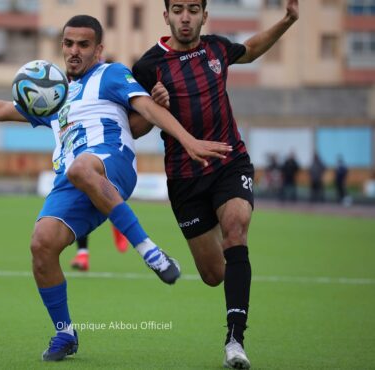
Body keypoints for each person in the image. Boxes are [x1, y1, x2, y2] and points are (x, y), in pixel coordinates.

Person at [0, 15, 232, 362]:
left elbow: (145, 110)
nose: (74, 51)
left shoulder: (110, 74)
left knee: (82, 167)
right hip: (72, 180)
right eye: (68, 43)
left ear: (98, 49)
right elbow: (0, 109)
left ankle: (149, 250)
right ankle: (65, 332)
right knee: (41, 244)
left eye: (83, 44)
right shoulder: (54, 94)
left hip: (112, 163)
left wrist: (187, 140)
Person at [131, 0, 299, 368]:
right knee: (213, 275)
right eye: (178, 9)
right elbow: (134, 126)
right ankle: (235, 281)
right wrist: (156, 106)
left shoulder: (218, 49)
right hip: (184, 179)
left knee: (236, 230)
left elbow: (252, 49)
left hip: (228, 160)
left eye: (193, 9)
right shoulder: (147, 66)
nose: (186, 16)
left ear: (205, 15)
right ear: (167, 16)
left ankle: (235, 340)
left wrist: (287, 20)